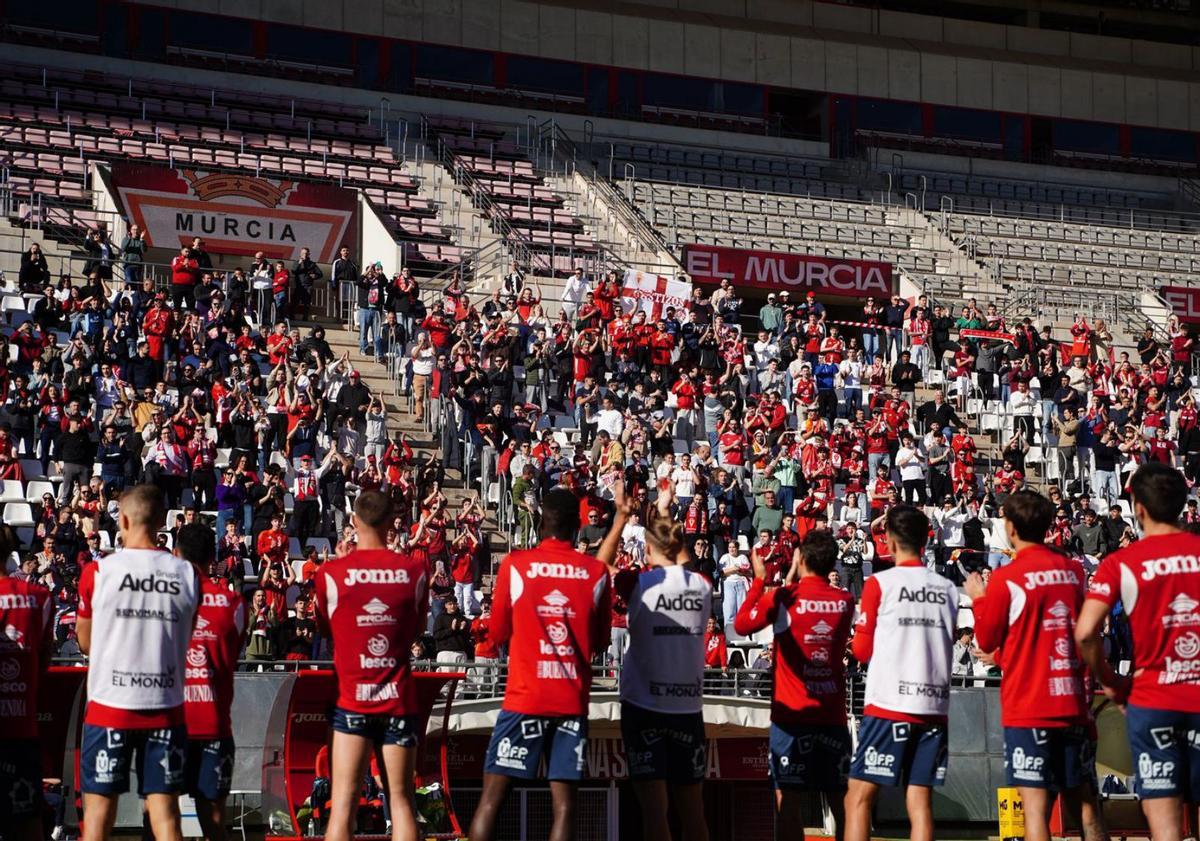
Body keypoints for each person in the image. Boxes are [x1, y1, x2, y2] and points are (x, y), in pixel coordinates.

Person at [469, 488, 611, 841]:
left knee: (491, 801)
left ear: (541, 520)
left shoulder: (516, 565)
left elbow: (497, 632)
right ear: (578, 524)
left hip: (524, 698)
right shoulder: (595, 572)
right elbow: (601, 641)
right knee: (565, 808)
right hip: (569, 700)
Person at [967, 490, 1105, 841]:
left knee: (1036, 812)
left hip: (1029, 708)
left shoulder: (1006, 579)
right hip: (1072, 702)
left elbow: (985, 639)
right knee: (1085, 804)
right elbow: (1081, 633)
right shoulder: (1074, 573)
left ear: (1010, 528)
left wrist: (979, 600)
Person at [1077, 463, 1200, 841]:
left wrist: (1111, 681)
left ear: (1139, 509)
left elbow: (1085, 633)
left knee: (1164, 828)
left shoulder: (1122, 562)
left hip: (1153, 698)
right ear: (1182, 505)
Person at [76, 484, 201, 841]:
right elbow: (186, 637)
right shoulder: (187, 574)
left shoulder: (99, 573)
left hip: (108, 707)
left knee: (98, 820)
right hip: (165, 707)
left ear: (125, 520)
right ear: (163, 521)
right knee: (166, 820)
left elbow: (85, 642)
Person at [313, 491, 429, 841]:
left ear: (354, 522)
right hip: (398, 698)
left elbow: (324, 628)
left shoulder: (332, 573)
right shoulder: (413, 570)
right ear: (393, 522)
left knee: (343, 804)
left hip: (353, 702)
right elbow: (417, 630)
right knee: (402, 801)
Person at [598, 484, 711, 841]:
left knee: (654, 813)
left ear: (647, 549)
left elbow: (600, 568)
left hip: (643, 705)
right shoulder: (703, 585)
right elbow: (683, 562)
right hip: (687, 707)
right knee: (694, 814)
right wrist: (663, 512)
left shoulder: (638, 582)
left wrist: (621, 519)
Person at [844, 505, 957, 841]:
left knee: (858, 799)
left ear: (889, 541)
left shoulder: (881, 582)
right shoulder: (948, 589)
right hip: (934, 707)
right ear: (925, 540)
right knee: (920, 801)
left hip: (890, 704)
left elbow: (862, 651)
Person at [734, 528, 855, 841]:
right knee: (839, 801)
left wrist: (760, 580)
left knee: (788, 801)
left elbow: (742, 623)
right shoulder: (845, 600)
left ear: (799, 559)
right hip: (831, 715)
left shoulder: (784, 597)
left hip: (791, 718)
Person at [177, 523, 246, 841]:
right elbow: (233, 655)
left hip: (170, 723)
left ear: (176, 554)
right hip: (214, 724)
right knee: (214, 822)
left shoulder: (165, 599)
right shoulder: (233, 603)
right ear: (213, 559)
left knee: (158, 818)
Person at [0, 524, 51, 841]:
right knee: (28, 824)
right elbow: (42, 663)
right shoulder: (39, 597)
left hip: (20, 731)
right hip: (21, 729)